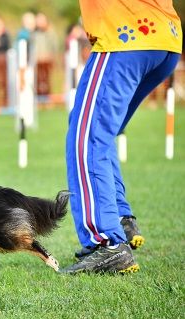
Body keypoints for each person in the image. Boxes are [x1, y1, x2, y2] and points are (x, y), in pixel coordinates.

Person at [62, 0, 182, 274]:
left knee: (87, 139)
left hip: (125, 32)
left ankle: (106, 242)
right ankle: (118, 216)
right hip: (165, 36)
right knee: (99, 134)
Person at [33, 13, 58, 97]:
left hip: (47, 63)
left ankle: (48, 97)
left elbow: (54, 49)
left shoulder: (51, 33)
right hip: (37, 63)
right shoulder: (35, 34)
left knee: (47, 81)